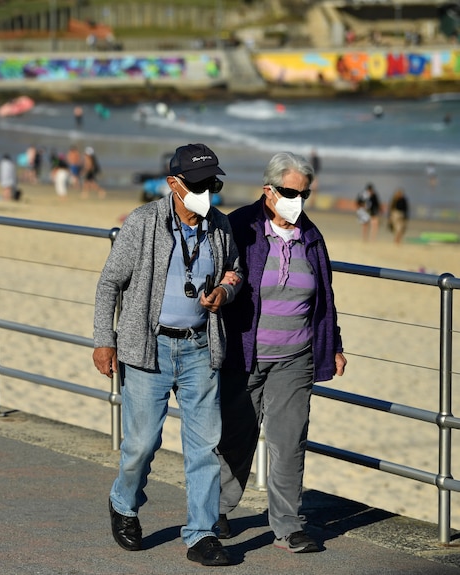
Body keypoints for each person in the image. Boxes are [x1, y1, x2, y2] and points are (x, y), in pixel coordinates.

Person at [93, 143, 242, 567]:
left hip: (200, 347)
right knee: (141, 444)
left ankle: (201, 535)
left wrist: (225, 290)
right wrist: (105, 340)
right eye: (198, 184)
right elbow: (109, 284)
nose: (207, 192)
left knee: (205, 447)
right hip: (147, 347)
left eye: (212, 183)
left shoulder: (220, 226)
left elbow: (236, 271)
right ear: (173, 184)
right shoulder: (142, 222)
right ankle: (124, 503)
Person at [215, 151, 346, 553]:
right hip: (244, 355)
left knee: (289, 443)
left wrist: (334, 344)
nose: (298, 200)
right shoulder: (241, 225)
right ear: (268, 191)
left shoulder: (311, 235)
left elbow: (324, 296)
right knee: (237, 439)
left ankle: (288, 526)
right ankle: (216, 510)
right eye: (291, 192)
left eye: (303, 193)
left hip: (296, 357)